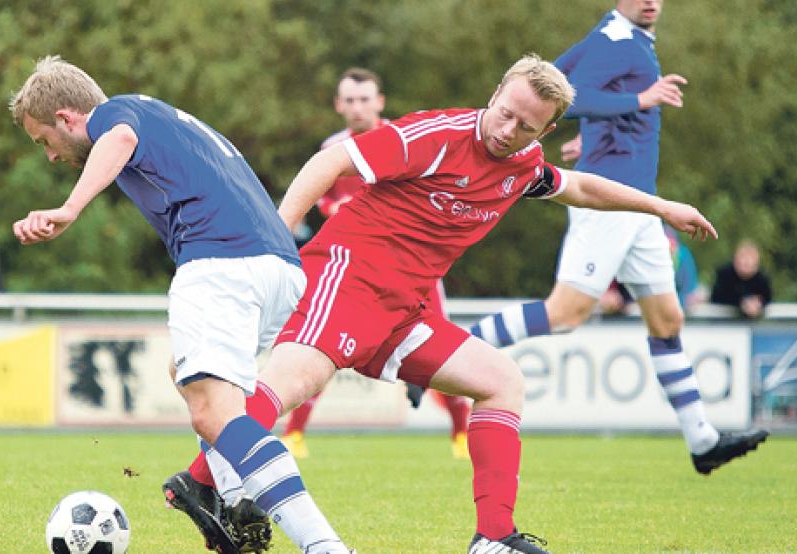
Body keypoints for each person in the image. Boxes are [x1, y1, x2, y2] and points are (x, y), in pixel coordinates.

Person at [176, 53, 720, 554]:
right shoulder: (437, 134)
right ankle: (201, 484)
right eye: (504, 113)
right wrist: (278, 241)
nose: (507, 131)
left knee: (501, 380)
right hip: (346, 279)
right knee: (286, 389)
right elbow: (331, 162)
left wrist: (662, 207)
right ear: (496, 92)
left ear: (547, 130)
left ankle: (494, 536)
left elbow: (579, 187)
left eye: (525, 127)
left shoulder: (522, 163)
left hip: (403, 309)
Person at [8, 56, 353, 554]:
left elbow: (119, 139)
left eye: (45, 141)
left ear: (66, 118)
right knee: (194, 379)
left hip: (220, 261)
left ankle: (324, 547)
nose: (51, 156)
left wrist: (69, 208)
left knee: (214, 413)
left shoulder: (115, 115)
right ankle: (233, 498)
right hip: (279, 268)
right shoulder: (168, 117)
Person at [470, 0, 768, 476]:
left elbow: (554, 78)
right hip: (608, 204)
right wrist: (638, 102)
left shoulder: (614, 36)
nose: (650, 1)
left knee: (667, 319)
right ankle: (458, 344)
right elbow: (569, 96)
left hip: (640, 206)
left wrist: (598, 135)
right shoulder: (619, 41)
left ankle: (702, 440)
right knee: (565, 314)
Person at [281, 67, 473, 461]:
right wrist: (343, 207)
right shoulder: (333, 148)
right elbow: (322, 200)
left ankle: (461, 436)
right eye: (349, 100)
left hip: (413, 269)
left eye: (364, 99)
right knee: (323, 345)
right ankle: (294, 434)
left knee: (443, 345)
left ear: (380, 102)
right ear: (338, 105)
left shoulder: (405, 139)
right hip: (357, 268)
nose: (357, 107)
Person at [711, 239, 772, 319]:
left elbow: (767, 298)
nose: (746, 265)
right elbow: (716, 297)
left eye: (749, 263)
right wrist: (742, 303)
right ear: (736, 260)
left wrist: (758, 303)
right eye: (743, 262)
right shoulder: (725, 274)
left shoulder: (762, 279)